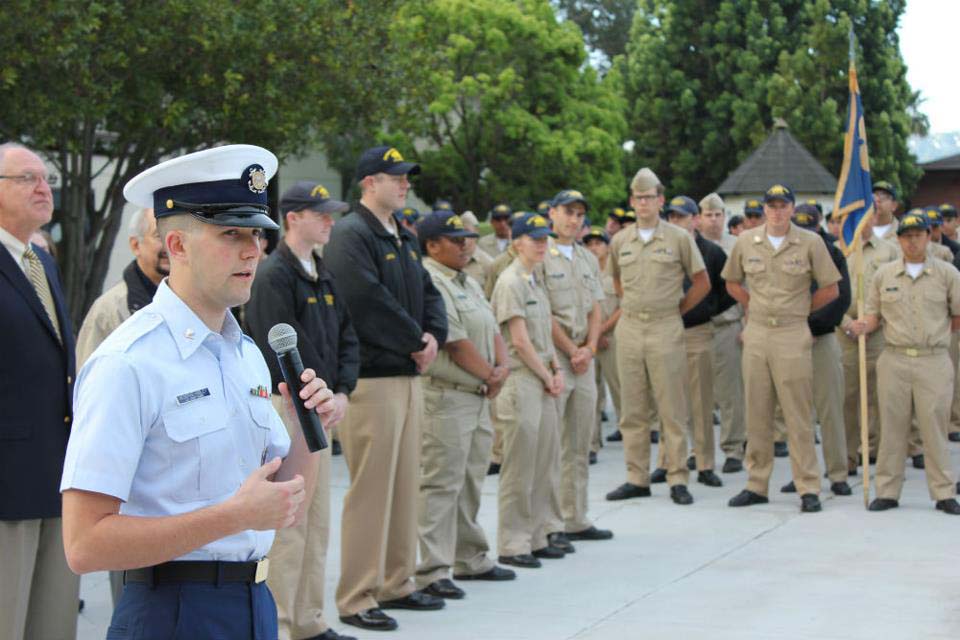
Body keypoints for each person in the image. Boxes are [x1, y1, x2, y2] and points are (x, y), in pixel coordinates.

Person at [60, 144, 338, 639]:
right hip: (171, 610)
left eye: (256, 233)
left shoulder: (246, 352)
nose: (254, 250)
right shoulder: (128, 362)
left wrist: (303, 428)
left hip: (253, 605)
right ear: (177, 245)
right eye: (230, 233)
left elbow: (286, 507)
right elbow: (84, 545)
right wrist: (233, 516)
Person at [324, 145, 448, 632]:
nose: (405, 184)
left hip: (408, 373)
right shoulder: (352, 234)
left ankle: (398, 582)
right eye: (396, 177)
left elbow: (427, 289)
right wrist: (414, 338)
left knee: (403, 488)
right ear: (369, 182)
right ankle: (357, 595)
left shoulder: (401, 233)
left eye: (406, 178)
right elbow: (364, 299)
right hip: (373, 380)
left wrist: (433, 334)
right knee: (371, 492)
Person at [245, 180, 359, 640]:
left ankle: (310, 619)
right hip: (289, 405)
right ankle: (284, 625)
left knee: (316, 522)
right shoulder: (275, 274)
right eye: (321, 213)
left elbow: (346, 333)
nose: (330, 221)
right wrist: (322, 392)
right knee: (289, 527)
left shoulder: (322, 271)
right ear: (293, 218)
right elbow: (285, 347)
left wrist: (344, 389)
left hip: (323, 406)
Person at [413, 210, 517, 600]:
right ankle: (433, 568)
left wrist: (501, 368)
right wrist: (491, 375)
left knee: (471, 480)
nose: (465, 244)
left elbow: (491, 328)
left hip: (477, 394)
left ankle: (469, 557)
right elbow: (455, 342)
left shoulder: (466, 281)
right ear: (431, 245)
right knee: (441, 483)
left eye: (467, 238)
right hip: (447, 395)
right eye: (455, 239)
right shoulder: (432, 280)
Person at [0, 142, 79, 640]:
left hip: (57, 474)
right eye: (26, 178)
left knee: (51, 623)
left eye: (45, 178)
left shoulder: (41, 263)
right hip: (6, 487)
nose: (43, 187)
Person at [724, 184, 841, 513]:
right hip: (758, 332)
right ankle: (756, 484)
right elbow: (732, 282)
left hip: (792, 333)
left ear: (792, 208)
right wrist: (753, 306)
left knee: (797, 413)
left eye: (783, 205)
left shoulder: (810, 242)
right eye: (771, 206)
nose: (777, 211)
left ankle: (808, 486)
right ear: (764, 210)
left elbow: (831, 289)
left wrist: (801, 311)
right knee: (757, 411)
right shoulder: (747, 241)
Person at [604, 168, 710, 506]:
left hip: (666, 325)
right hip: (631, 326)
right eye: (638, 198)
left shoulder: (678, 238)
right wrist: (634, 303)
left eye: (649, 197)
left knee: (671, 406)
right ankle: (637, 477)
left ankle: (677, 476)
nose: (644, 203)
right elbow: (617, 281)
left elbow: (701, 282)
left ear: (661, 200)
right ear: (632, 202)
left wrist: (676, 311)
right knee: (633, 408)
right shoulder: (621, 241)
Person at [850, 212, 960, 515]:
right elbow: (874, 315)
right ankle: (887, 491)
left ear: (928, 237)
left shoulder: (947, 273)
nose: (913, 241)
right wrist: (863, 326)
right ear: (899, 240)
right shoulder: (884, 275)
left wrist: (934, 337)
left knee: (934, 427)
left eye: (919, 235)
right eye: (907, 236)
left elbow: (957, 315)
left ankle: (943, 492)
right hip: (894, 358)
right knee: (892, 427)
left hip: (933, 359)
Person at [490, 213, 565, 567]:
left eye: (544, 238)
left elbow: (544, 335)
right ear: (517, 242)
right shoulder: (511, 282)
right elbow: (518, 341)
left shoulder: (535, 280)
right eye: (533, 238)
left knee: (543, 462)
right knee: (520, 466)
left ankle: (537, 535)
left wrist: (555, 370)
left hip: (542, 377)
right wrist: (547, 375)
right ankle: (513, 543)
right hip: (522, 380)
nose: (541, 243)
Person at [543, 190, 613, 542]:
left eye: (580, 214)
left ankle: (576, 517)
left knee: (579, 442)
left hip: (584, 360)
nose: (574, 220)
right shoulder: (542, 253)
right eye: (567, 212)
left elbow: (596, 308)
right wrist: (572, 349)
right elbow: (542, 312)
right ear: (552, 213)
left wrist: (589, 348)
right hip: (556, 359)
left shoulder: (587, 257)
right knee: (552, 445)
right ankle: (551, 523)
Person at [652, 195, 733, 487]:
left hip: (698, 332)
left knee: (700, 403)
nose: (677, 222)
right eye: (672, 217)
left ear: (695, 219)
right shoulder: (661, 248)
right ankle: (667, 461)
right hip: (666, 331)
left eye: (683, 217)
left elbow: (727, 289)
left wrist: (708, 309)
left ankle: (704, 463)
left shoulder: (710, 252)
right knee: (667, 400)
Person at [782, 204, 852, 496]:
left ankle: (838, 474)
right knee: (798, 414)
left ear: (819, 225)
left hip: (821, 340)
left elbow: (841, 298)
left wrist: (811, 326)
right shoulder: (786, 250)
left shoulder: (833, 252)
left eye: (810, 228)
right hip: (790, 340)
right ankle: (803, 472)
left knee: (830, 410)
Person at [836, 215, 899, 473]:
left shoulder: (890, 251)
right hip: (844, 333)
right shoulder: (836, 250)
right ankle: (848, 457)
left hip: (879, 332)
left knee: (880, 397)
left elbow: (897, 291)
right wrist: (846, 322)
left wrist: (872, 322)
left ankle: (878, 455)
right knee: (846, 399)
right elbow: (825, 290)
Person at [77, 208, 168, 367]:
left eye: (177, 236)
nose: (170, 245)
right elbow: (89, 380)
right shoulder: (109, 309)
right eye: (159, 236)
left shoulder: (195, 301)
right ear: (135, 245)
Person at [699, 193, 747, 473]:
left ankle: (733, 448)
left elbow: (748, 287)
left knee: (731, 392)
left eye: (718, 214)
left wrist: (748, 325)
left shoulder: (737, 246)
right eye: (708, 214)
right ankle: (701, 450)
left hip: (729, 326)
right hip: (698, 328)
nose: (714, 219)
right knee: (700, 394)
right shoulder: (691, 245)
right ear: (700, 218)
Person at [583, 227, 622, 456]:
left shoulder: (615, 273)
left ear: (607, 246)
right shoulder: (583, 272)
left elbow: (623, 305)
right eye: (589, 244)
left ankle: (630, 433)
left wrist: (602, 331)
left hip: (612, 336)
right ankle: (591, 444)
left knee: (620, 390)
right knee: (592, 393)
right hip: (589, 340)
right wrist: (593, 337)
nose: (593, 247)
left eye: (598, 243)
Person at [460, 210, 494, 285]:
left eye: (467, 231)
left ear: (476, 231)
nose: (463, 235)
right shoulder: (453, 259)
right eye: (460, 231)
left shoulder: (488, 263)